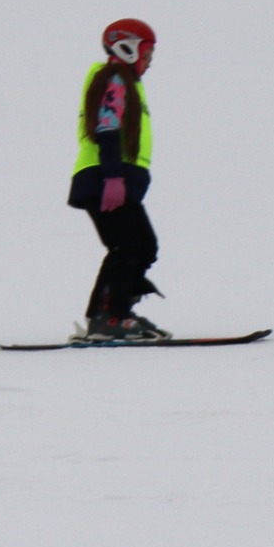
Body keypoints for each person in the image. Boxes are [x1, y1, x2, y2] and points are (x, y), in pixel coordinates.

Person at [67, 18, 168, 342]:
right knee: (127, 246)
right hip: (104, 177)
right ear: (127, 48)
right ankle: (109, 316)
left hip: (117, 179)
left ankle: (116, 309)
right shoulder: (113, 78)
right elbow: (106, 126)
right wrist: (113, 176)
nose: (149, 62)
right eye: (146, 53)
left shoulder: (127, 82)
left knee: (143, 246)